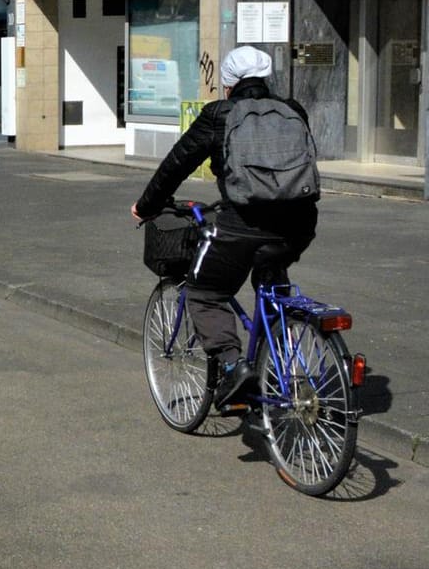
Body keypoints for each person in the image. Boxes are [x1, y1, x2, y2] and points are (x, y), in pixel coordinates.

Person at [131, 46, 320, 405]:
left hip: (243, 223)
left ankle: (234, 368)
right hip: (299, 223)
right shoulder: (292, 110)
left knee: (206, 292)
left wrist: (146, 206)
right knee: (270, 275)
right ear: (265, 79)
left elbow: (178, 163)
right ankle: (280, 353)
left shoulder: (220, 113)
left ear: (229, 85)